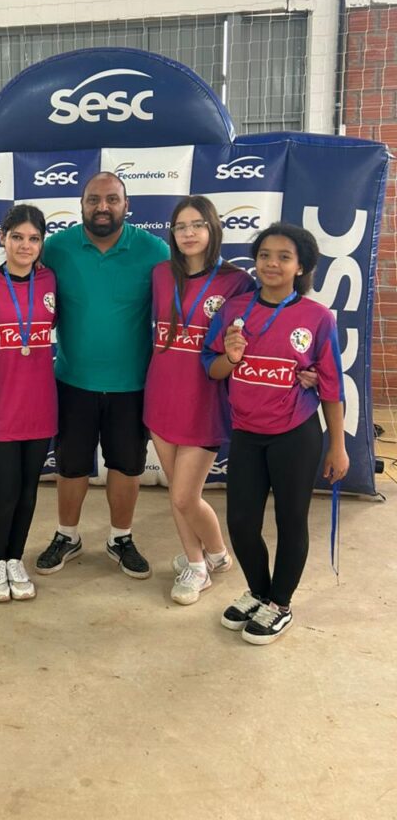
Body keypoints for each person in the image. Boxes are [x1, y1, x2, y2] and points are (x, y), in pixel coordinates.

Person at [203, 222, 349, 645]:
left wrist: (338, 446)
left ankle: (280, 604)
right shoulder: (234, 311)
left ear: (301, 266)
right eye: (265, 255)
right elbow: (212, 369)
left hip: (295, 434)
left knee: (291, 520)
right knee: (241, 522)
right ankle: (258, 592)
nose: (272, 263)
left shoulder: (317, 318)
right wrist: (231, 357)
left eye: (284, 257)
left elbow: (331, 387)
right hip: (247, 434)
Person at [34, 171, 169, 580]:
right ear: (81, 205)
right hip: (72, 381)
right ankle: (67, 535)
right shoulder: (56, 247)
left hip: (132, 385)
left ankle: (120, 538)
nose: (103, 207)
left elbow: (193, 293)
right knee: (71, 466)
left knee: (127, 466)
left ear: (127, 205)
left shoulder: (154, 250)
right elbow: (17, 287)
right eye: (94, 199)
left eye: (112, 199)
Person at [144, 196, 255, 605]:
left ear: (213, 228)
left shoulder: (237, 282)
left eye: (197, 225)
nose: (188, 233)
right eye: (180, 226)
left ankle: (203, 563)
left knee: (184, 496)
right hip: (160, 396)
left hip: (204, 401)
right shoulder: (160, 274)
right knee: (178, 491)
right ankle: (208, 558)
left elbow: (259, 335)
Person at [0, 205, 57, 602]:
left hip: (40, 404)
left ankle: (14, 559)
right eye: (18, 237)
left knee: (28, 491)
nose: (26, 245)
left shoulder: (51, 281)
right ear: (2, 238)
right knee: (5, 489)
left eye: (34, 238)